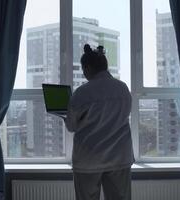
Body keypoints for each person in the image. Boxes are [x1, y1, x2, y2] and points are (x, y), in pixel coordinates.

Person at [64, 44, 134, 200]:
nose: (84, 73)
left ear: (88, 67)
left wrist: (66, 116)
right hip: (119, 157)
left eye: (83, 69)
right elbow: (124, 115)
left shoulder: (82, 92)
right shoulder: (123, 88)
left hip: (89, 159)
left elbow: (71, 126)